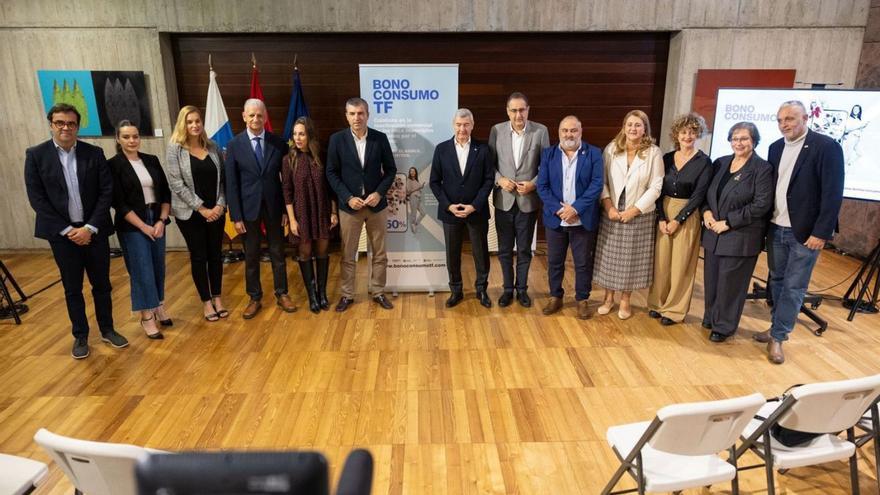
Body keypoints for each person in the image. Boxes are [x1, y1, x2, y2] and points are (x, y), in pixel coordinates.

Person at [24, 103, 129, 359]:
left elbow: (106, 191)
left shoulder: (94, 153)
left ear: (77, 126)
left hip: (94, 231)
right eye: (60, 122)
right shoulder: (36, 155)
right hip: (63, 236)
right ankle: (80, 336)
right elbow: (37, 199)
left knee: (102, 285)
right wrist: (69, 230)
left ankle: (107, 329)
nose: (65, 128)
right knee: (72, 288)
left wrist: (90, 227)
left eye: (71, 123)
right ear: (51, 124)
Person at [754, 101, 845, 364]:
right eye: (780, 120)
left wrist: (822, 232)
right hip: (776, 228)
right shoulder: (775, 147)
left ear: (805, 118)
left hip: (805, 233)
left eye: (791, 119)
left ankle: (779, 337)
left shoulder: (826, 147)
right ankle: (774, 328)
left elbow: (832, 194)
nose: (785, 124)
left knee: (794, 287)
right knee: (777, 282)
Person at [702, 122, 773, 343]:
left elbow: (761, 204)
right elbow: (707, 193)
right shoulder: (721, 162)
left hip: (740, 235)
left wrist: (729, 222)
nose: (738, 143)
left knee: (730, 285)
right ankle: (711, 317)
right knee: (712, 280)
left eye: (744, 138)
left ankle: (723, 326)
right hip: (713, 233)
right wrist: (705, 213)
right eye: (735, 138)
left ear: (754, 141)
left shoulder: (762, 169)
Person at [226, 98, 296, 318]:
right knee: (252, 255)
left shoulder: (279, 143)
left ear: (265, 118)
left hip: (275, 208)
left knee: (277, 252)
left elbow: (286, 180)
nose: (256, 119)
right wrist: (235, 216)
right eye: (252, 115)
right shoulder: (234, 145)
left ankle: (282, 293)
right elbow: (232, 183)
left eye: (260, 115)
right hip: (247, 210)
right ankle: (254, 297)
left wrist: (287, 210)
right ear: (244, 116)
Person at [325, 97, 397, 312]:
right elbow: (331, 172)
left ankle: (378, 291)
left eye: (360, 113)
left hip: (376, 206)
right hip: (350, 208)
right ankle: (347, 295)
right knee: (348, 254)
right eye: (352, 113)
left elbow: (391, 170)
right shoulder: (337, 140)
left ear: (367, 114)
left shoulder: (380, 138)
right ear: (346, 116)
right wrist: (347, 197)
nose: (357, 117)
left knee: (380, 253)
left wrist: (379, 192)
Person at [594, 110, 664, 320]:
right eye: (630, 124)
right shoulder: (611, 149)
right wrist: (608, 207)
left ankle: (625, 300)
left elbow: (656, 186)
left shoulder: (653, 152)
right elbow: (602, 181)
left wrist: (635, 210)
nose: (633, 129)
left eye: (638, 125)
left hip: (639, 212)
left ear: (645, 129)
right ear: (624, 127)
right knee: (610, 257)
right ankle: (608, 298)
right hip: (613, 209)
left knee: (631, 258)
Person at [647, 113, 713, 326]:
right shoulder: (666, 158)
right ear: (677, 134)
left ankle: (674, 310)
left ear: (698, 134)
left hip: (688, 214)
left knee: (681, 265)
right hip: (664, 212)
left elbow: (699, 195)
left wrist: (678, 219)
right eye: (684, 132)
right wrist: (662, 218)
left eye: (692, 132)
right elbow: (657, 189)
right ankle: (657, 303)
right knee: (662, 262)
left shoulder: (704, 162)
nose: (688, 136)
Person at [536, 116, 604, 319]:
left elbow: (596, 185)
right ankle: (555, 296)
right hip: (556, 218)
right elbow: (542, 186)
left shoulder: (593, 153)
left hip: (582, 219)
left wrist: (575, 209)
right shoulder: (548, 154)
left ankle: (582, 299)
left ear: (580, 132)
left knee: (582, 263)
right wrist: (561, 210)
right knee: (555, 261)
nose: (569, 134)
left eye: (573, 130)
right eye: (565, 130)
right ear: (559, 133)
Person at [165, 106, 229, 321]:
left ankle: (218, 297)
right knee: (199, 256)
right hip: (191, 214)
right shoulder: (175, 148)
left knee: (215, 256)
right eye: (189, 121)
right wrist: (202, 209)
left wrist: (219, 205)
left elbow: (223, 180)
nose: (194, 125)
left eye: (197, 121)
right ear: (183, 124)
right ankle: (206, 302)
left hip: (216, 212)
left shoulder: (213, 147)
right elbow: (176, 183)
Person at [109, 120, 172, 339]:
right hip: (133, 224)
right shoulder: (114, 165)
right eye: (126, 137)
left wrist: (161, 221)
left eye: (135, 136)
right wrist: (144, 226)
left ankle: (159, 305)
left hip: (156, 219)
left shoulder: (151, 160)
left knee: (157, 267)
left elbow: (165, 193)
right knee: (141, 269)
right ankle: (147, 316)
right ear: (118, 139)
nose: (132, 140)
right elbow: (119, 202)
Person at [488, 92, 550, 308]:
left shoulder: (541, 131)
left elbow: (546, 166)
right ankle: (507, 289)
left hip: (528, 201)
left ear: (528, 110)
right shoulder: (496, 131)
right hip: (503, 200)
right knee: (504, 249)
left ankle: (522, 289)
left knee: (524, 249)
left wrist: (533, 183)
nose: (518, 114)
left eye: (522, 110)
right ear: (507, 111)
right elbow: (490, 165)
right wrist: (499, 180)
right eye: (513, 110)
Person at [429, 108, 495, 309]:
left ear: (472, 125)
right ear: (453, 125)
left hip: (476, 211)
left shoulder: (483, 150)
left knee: (480, 252)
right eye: (458, 124)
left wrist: (474, 206)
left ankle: (481, 290)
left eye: (466, 124)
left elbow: (488, 180)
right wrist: (448, 205)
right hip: (451, 212)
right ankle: (456, 291)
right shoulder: (441, 149)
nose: (462, 129)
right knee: (452, 253)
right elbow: (434, 182)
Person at [282, 117, 338, 313]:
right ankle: (312, 296)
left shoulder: (321, 156)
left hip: (322, 211)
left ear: (310, 135)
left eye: (302, 134)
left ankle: (322, 293)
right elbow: (287, 192)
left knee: (323, 251)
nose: (298, 138)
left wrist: (333, 212)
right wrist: (292, 219)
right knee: (305, 253)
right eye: (295, 134)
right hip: (301, 213)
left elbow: (331, 188)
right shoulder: (288, 160)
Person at [405, 167, 426, 233]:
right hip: (413, 197)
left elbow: (417, 189)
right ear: (409, 173)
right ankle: (413, 226)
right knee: (414, 213)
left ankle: (415, 224)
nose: (412, 172)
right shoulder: (409, 180)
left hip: (418, 198)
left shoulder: (416, 180)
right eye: (411, 171)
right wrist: (419, 187)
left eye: (413, 171)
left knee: (423, 213)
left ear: (415, 172)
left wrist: (420, 189)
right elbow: (408, 191)